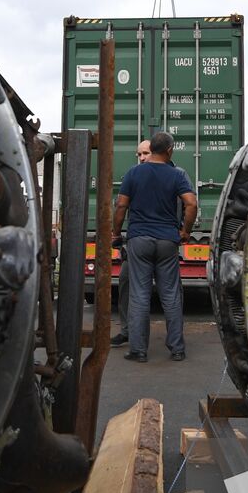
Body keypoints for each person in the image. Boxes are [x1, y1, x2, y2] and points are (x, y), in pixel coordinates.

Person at [111, 131, 197, 362]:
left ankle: (139, 350)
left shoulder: (133, 173)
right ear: (169, 150)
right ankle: (177, 349)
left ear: (153, 149)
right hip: (168, 240)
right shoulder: (177, 174)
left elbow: (120, 206)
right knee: (170, 295)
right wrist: (185, 231)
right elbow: (191, 203)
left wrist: (116, 232)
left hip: (139, 240)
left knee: (139, 295)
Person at [112, 139, 152, 348]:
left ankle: (173, 341)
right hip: (135, 242)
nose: (142, 158)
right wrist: (117, 234)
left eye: (146, 153)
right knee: (125, 283)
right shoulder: (132, 177)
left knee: (169, 293)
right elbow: (120, 206)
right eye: (139, 154)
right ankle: (128, 331)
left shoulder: (170, 175)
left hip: (160, 243)